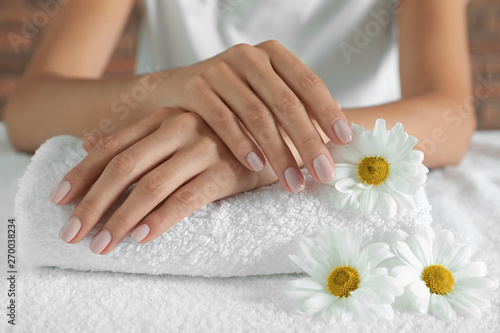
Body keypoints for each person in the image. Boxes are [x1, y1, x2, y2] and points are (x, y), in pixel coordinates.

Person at [3, 0, 475, 255]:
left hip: (335, 154)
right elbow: (28, 108)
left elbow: (450, 113)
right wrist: (176, 89)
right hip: (175, 140)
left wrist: (284, 141)